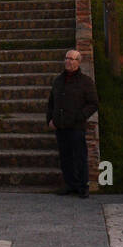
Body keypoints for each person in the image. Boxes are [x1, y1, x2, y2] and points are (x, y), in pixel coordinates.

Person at [47, 49, 98, 197]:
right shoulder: (58, 80)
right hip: (60, 125)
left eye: (72, 59)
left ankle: (83, 186)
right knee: (65, 156)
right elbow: (51, 102)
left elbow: (93, 103)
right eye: (67, 58)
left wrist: (80, 116)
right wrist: (50, 119)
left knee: (79, 156)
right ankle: (70, 184)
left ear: (78, 62)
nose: (68, 61)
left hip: (76, 126)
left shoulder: (86, 82)